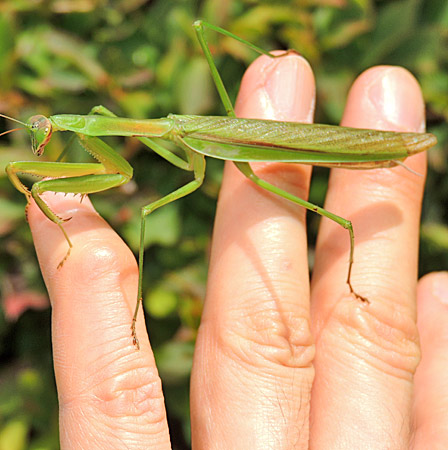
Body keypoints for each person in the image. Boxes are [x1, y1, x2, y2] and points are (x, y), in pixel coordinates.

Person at [26, 51, 447, 448]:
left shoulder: (143, 131)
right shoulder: (124, 125)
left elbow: (124, 170)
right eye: (47, 131)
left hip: (257, 145)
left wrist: (134, 311)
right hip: (220, 139)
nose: (46, 136)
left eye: (49, 129)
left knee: (149, 212)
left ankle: (354, 271)